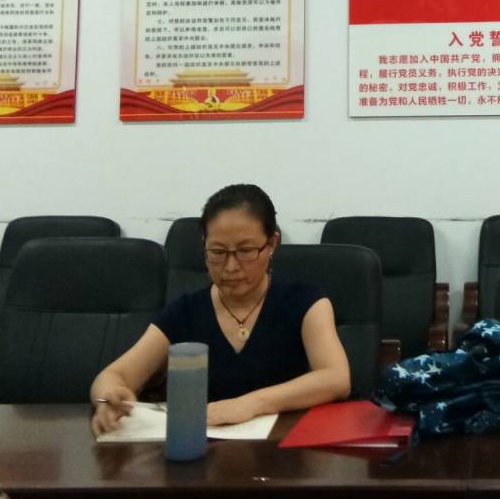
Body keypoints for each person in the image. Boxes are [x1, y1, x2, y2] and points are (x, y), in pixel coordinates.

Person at [91, 184, 350, 433]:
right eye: (217, 252)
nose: (231, 267)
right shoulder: (185, 312)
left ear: (272, 243)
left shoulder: (305, 302)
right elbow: (115, 375)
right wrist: (109, 396)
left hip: (284, 451)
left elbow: (336, 378)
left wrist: (251, 404)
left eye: (246, 251)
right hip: (204, 452)